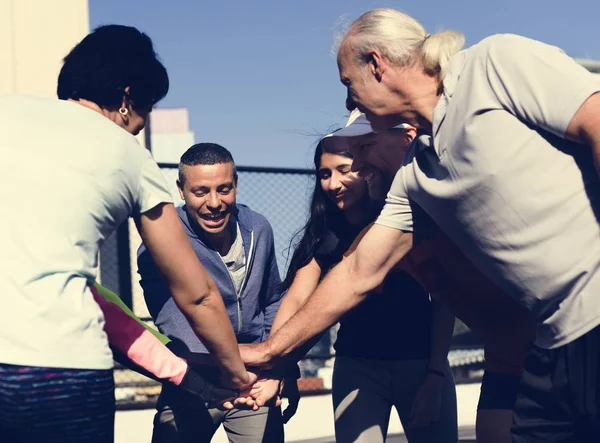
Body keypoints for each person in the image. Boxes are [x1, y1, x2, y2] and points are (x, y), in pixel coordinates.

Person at [240, 8, 600, 443]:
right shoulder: (415, 175)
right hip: (548, 348)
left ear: (377, 64)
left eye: (347, 84)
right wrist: (271, 351)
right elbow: (358, 273)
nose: (348, 101)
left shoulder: (494, 63)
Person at [0, 25, 251, 443]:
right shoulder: (130, 155)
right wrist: (235, 373)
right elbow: (197, 293)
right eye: (146, 110)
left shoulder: (7, 111)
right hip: (59, 370)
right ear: (126, 98)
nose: (140, 125)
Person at [325, 110, 536, 443]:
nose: (354, 166)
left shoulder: (461, 186)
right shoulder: (389, 219)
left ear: (407, 139)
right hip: (507, 357)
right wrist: (272, 356)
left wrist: (434, 374)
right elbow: (348, 279)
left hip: (561, 341)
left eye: (364, 148)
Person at [269, 132, 458, 443]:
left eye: (344, 170)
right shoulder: (322, 237)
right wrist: (280, 365)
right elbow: (297, 299)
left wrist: (435, 375)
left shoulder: (401, 221)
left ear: (366, 167)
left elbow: (443, 299)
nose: (332, 184)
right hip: (357, 368)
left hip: (421, 364)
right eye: (324, 174)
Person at [138, 143, 287, 443]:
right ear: (181, 190)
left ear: (236, 185)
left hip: (254, 382)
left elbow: (273, 301)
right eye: (201, 191)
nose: (215, 202)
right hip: (194, 379)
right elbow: (175, 325)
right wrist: (240, 365)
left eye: (224, 188)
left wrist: (280, 368)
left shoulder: (258, 227)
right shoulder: (161, 243)